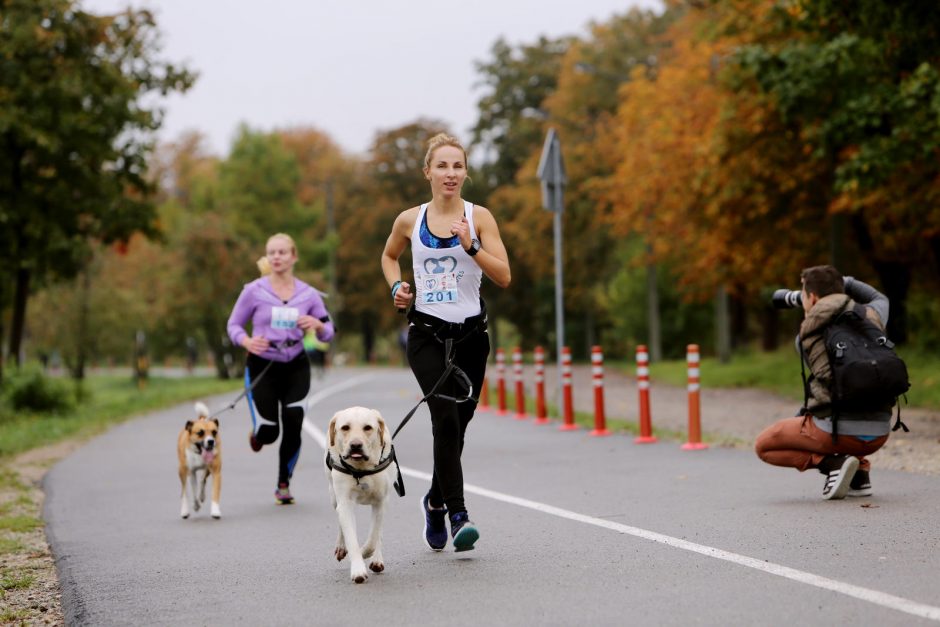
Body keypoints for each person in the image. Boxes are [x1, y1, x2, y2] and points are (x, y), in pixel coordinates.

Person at [381, 132, 511, 552]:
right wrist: (397, 286)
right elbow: (389, 257)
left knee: (458, 428)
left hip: (472, 337)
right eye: (442, 166)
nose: (450, 173)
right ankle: (459, 515)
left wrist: (470, 245)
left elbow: (504, 276)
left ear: (465, 172)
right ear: (428, 173)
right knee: (446, 419)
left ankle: (434, 500)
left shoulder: (480, 217)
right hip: (427, 335)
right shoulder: (409, 220)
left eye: (457, 166)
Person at [755, 265, 895, 500]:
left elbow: (828, 382)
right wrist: (844, 282)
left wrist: (812, 310)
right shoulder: (873, 315)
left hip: (837, 433)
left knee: (764, 445)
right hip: (880, 432)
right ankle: (859, 475)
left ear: (811, 297)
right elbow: (879, 297)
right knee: (847, 406)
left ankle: (832, 464)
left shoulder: (806, 336)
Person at [227, 233, 335, 504]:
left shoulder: (308, 294)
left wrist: (318, 326)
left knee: (294, 419)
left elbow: (328, 331)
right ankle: (259, 434)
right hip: (263, 365)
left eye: (282, 252)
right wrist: (248, 341)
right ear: (268, 257)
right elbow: (234, 326)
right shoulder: (254, 291)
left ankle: (283, 484)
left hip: (296, 365)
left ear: (293, 256)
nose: (276, 257)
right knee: (269, 431)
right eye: (272, 252)